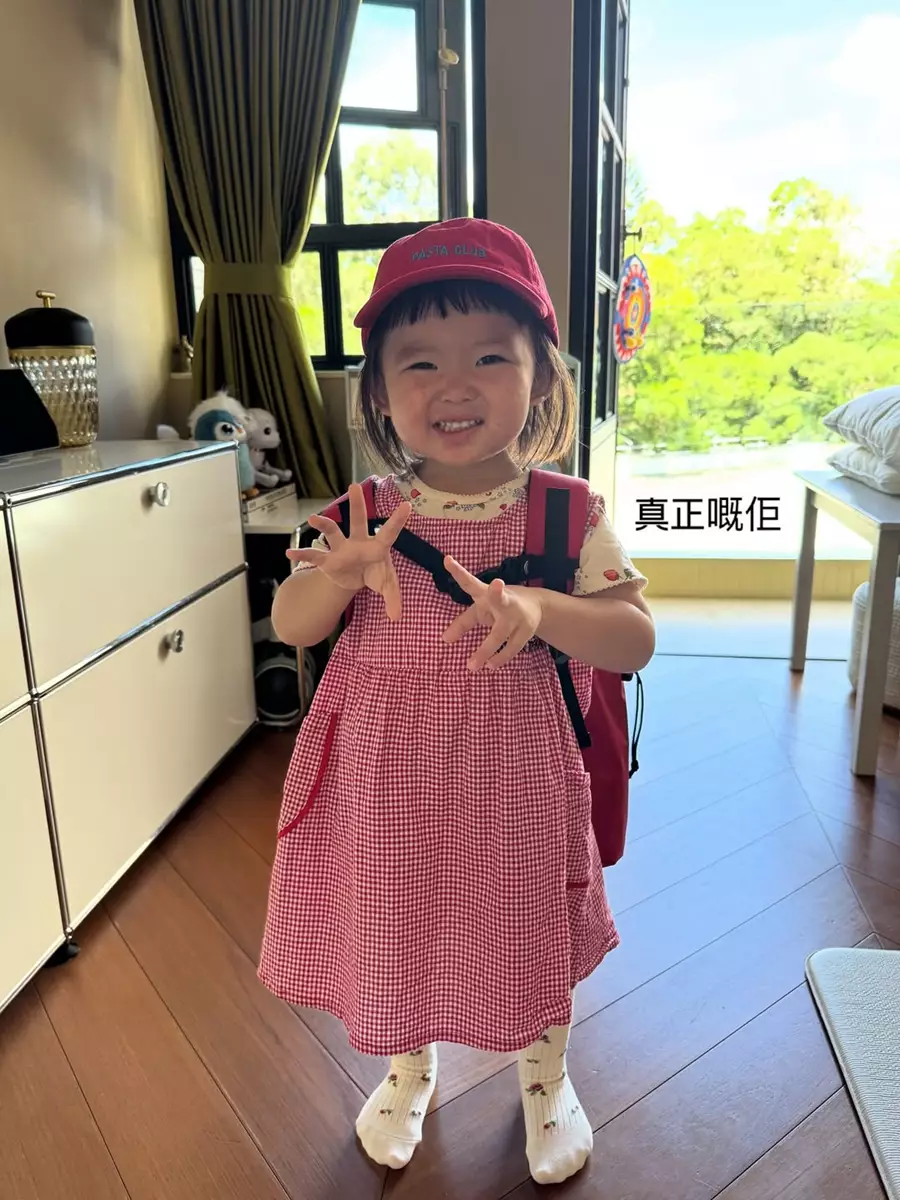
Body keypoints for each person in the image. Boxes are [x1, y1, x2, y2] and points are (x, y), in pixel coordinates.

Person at [258, 217, 655, 1186]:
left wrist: (545, 607)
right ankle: (408, 1069)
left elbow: (633, 638)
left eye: (489, 356)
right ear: (380, 393)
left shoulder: (568, 514)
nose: (455, 385)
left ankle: (546, 1078)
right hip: (385, 781)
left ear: (542, 376)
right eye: (421, 362)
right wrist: (335, 578)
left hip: (517, 776)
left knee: (526, 921)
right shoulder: (360, 514)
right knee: (396, 913)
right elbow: (291, 624)